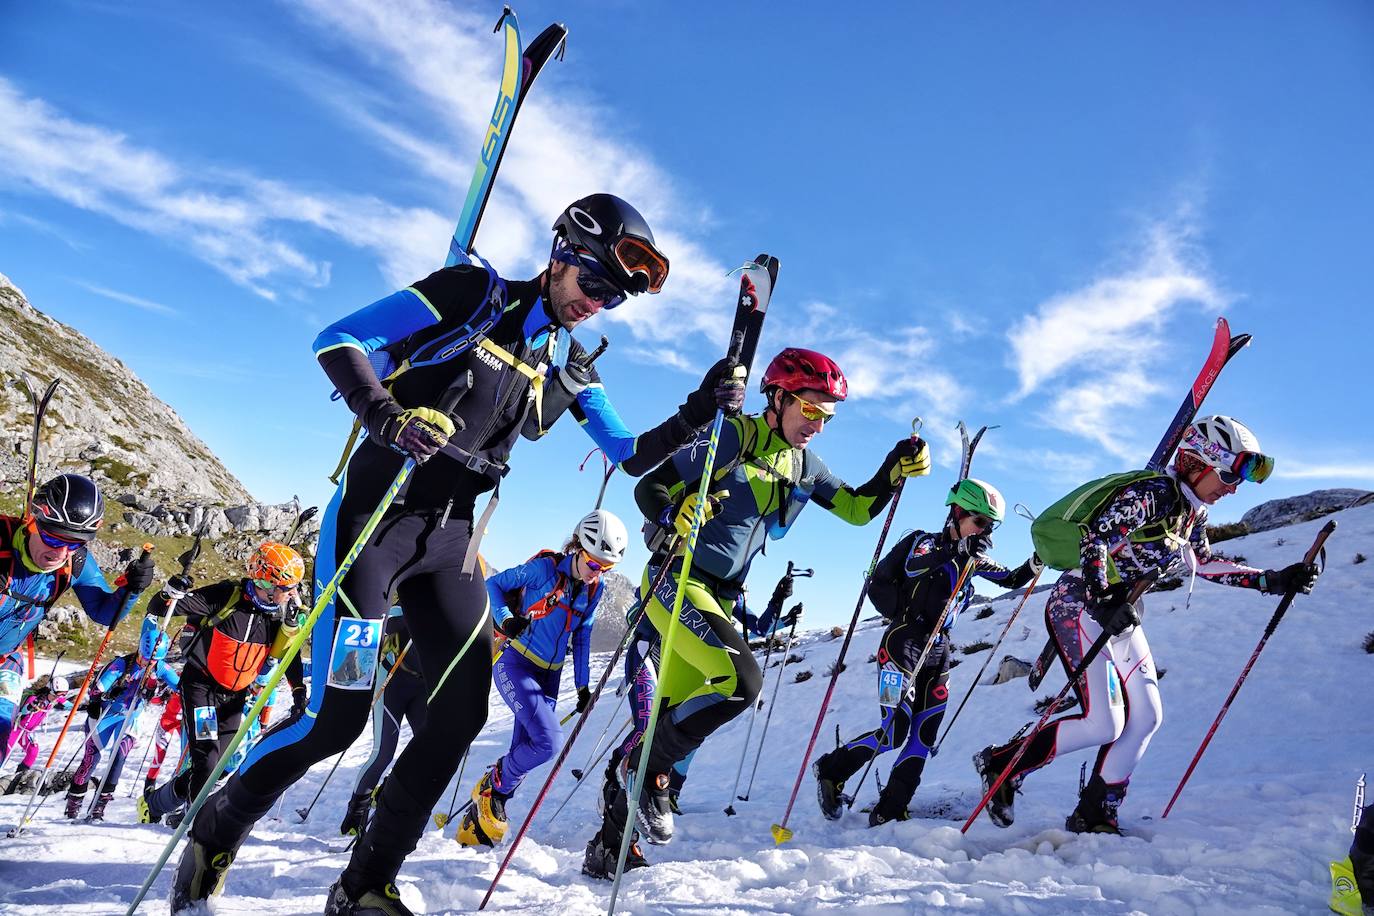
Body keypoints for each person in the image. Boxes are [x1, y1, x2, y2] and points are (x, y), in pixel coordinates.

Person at [173, 193, 748, 916]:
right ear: (562, 256)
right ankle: (216, 829)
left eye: (614, 299)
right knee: (336, 719)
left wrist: (699, 407)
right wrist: (385, 416)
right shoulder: (470, 293)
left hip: (452, 544)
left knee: (460, 714)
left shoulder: (566, 361)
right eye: (595, 285)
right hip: (372, 533)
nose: (597, 305)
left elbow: (628, 454)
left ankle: (364, 885)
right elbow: (337, 338)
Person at [583, 347, 932, 877]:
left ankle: (608, 847)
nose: (817, 425)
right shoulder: (733, 435)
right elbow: (648, 485)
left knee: (665, 720)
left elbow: (859, 510)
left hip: (720, 597)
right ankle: (646, 773)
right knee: (741, 683)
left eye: (827, 416)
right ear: (779, 397)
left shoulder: (805, 465)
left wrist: (891, 469)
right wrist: (675, 509)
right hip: (677, 583)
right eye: (810, 410)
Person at [971, 416, 1320, 833]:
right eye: (1228, 475)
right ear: (1197, 462)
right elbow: (1096, 539)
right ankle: (1001, 765)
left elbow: (1203, 563)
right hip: (1078, 606)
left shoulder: (1193, 512)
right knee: (1104, 721)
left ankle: (1096, 811)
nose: (1232, 487)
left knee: (1147, 717)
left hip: (1116, 613)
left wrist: (1272, 579)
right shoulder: (1153, 493)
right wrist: (1102, 597)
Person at [813, 478, 1041, 825]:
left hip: (938, 652)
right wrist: (955, 551)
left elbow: (1011, 579)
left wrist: (1040, 560)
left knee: (924, 735)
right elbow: (914, 567)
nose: (984, 532)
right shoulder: (923, 543)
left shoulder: (974, 558)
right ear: (957, 513)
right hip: (901, 646)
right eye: (979, 522)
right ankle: (831, 769)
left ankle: (890, 811)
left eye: (990, 526)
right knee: (894, 731)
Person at [457, 508, 627, 847]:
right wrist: (506, 620)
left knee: (524, 748)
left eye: (606, 568)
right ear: (578, 547)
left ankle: (476, 830)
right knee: (547, 742)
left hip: (551, 677)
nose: (597, 574)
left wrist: (581, 685)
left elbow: (582, 636)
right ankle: (493, 783)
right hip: (516, 664)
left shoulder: (593, 590)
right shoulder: (544, 569)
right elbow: (492, 584)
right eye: (594, 564)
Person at [140, 542, 308, 826]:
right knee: (206, 757)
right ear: (265, 580)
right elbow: (159, 607)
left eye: (294, 587)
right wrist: (170, 591)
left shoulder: (282, 613)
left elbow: (290, 652)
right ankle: (197, 827)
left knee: (217, 766)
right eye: (286, 587)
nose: (292, 594)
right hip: (201, 687)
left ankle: (155, 804)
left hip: (235, 695)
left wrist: (298, 689)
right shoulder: (225, 596)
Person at [612, 576, 801, 815]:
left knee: (686, 731)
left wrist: (778, 605)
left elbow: (758, 628)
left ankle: (669, 792)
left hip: (692, 667)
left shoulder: (731, 594)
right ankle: (614, 783)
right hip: (654, 656)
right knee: (647, 728)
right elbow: (636, 612)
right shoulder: (683, 576)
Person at [0, 473, 154, 754]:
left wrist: (132, 589)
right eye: (52, 537)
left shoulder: (76, 562)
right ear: (33, 519)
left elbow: (104, 612)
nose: (60, 552)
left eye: (74, 542)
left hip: (5, 661)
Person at [65, 616, 179, 820]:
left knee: (118, 758)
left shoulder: (159, 666)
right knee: (91, 758)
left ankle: (99, 807)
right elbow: (98, 689)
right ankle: (74, 804)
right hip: (107, 715)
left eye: (154, 660)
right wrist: (100, 700)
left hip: (131, 717)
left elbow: (180, 685)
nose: (149, 663)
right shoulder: (122, 664)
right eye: (146, 658)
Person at [339, 610, 426, 838]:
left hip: (422, 689)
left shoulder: (456, 613)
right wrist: (403, 626)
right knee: (383, 753)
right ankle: (357, 810)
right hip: (393, 683)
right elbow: (379, 625)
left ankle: (389, 789)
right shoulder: (407, 607)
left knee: (428, 752)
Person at [1, 675, 71, 793]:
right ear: (50, 691)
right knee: (4, 752)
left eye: (62, 695)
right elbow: (24, 711)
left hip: (27, 732)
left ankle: (19, 776)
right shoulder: (35, 698)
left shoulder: (55, 698)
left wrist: (80, 706)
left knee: (33, 752)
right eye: (57, 695)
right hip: (17, 729)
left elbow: (69, 705)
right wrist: (31, 707)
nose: (58, 698)